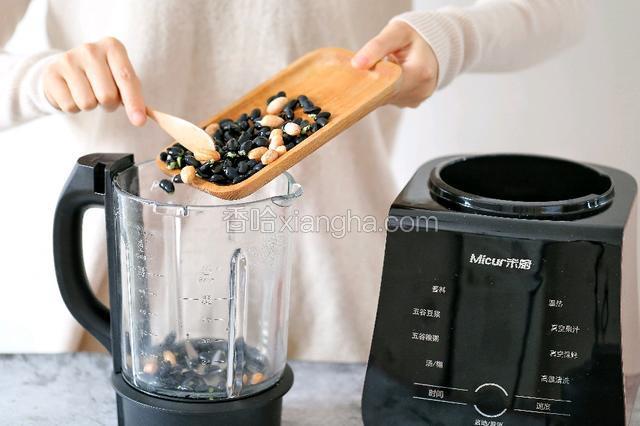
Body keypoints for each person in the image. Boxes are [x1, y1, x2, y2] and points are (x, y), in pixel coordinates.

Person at [1, 0, 589, 362]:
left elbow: (566, 12)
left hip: (337, 304)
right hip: (118, 315)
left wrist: (450, 37)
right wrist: (37, 77)